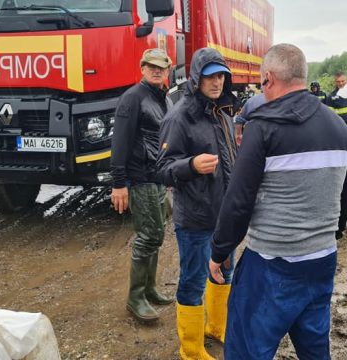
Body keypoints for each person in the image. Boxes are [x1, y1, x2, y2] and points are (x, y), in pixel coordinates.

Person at [209, 44, 347, 359]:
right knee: (315, 347)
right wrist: (331, 233)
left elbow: (238, 200)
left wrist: (220, 251)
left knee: (247, 348)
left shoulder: (263, 128)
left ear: (269, 79)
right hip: (321, 261)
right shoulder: (339, 127)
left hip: (271, 264)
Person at [157, 47, 238, 360]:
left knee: (225, 273)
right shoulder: (180, 117)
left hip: (225, 216)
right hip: (195, 219)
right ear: (196, 79)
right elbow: (161, 169)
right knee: (192, 282)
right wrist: (190, 165)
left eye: (220, 76)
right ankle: (190, 350)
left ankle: (216, 326)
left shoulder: (223, 112)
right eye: (209, 77)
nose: (216, 82)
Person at [110, 48, 174, 322]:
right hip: (140, 177)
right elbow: (120, 142)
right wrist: (119, 183)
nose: (156, 70)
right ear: (142, 68)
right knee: (148, 236)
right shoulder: (133, 98)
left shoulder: (164, 98)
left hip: (157, 176)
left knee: (156, 235)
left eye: (161, 67)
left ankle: (149, 288)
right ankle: (135, 298)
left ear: (168, 70)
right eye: (151, 66)